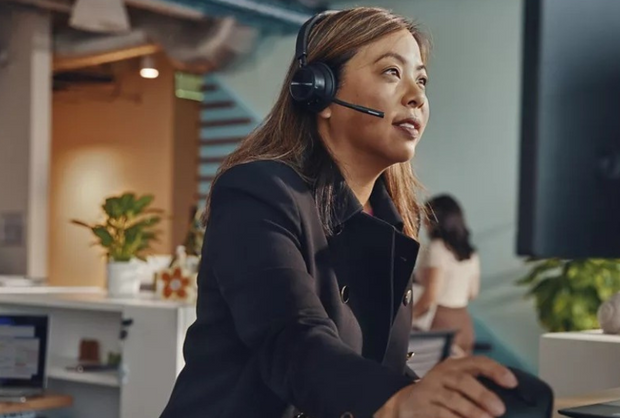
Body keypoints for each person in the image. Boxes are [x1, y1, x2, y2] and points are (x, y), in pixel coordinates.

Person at [159, 7, 517, 418]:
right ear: (322, 93)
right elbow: (291, 336)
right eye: (391, 73)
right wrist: (394, 400)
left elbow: (377, 361)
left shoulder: (394, 220)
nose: (417, 96)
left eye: (421, 79)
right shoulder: (259, 191)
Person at [412, 195, 481, 356]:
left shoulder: (437, 249)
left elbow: (431, 296)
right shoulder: (471, 253)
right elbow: (473, 293)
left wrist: (406, 321)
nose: (424, 223)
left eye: (427, 217)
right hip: (464, 322)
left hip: (441, 324)